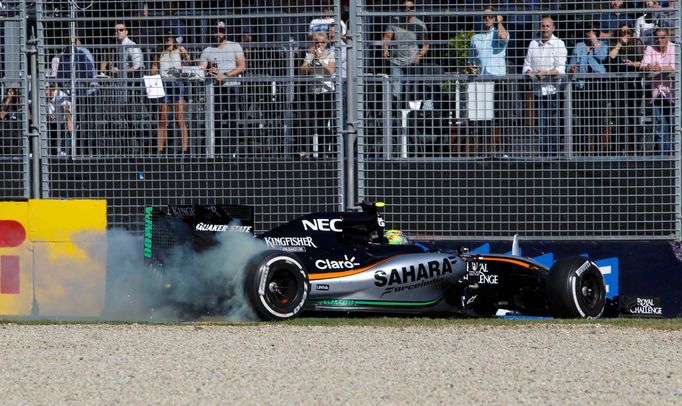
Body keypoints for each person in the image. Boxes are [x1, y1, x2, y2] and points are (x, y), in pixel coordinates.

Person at [199, 21, 247, 156]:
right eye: (215, 31)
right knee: (216, 119)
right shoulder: (207, 50)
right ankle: (217, 150)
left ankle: (232, 151)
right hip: (215, 89)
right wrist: (209, 72)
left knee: (232, 119)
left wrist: (225, 76)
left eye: (220, 31)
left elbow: (242, 65)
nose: (218, 34)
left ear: (225, 32)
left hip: (232, 87)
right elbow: (201, 69)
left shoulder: (235, 46)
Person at [467, 6, 509, 156]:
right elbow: (470, 61)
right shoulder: (475, 38)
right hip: (481, 81)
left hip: (497, 79)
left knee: (501, 116)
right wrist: (469, 68)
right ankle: (484, 152)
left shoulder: (499, 33)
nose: (487, 19)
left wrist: (499, 22)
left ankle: (503, 151)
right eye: (485, 17)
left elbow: (504, 37)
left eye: (490, 17)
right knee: (482, 118)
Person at [522, 16, 567, 156]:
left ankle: (552, 155)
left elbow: (561, 69)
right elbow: (526, 65)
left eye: (548, 26)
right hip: (538, 91)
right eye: (543, 26)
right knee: (541, 125)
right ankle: (543, 155)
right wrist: (530, 72)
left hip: (553, 90)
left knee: (553, 124)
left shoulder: (559, 43)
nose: (545, 29)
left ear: (553, 28)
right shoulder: (533, 44)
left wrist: (546, 73)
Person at [630, 27, 676, 154]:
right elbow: (644, 65)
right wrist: (650, 67)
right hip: (657, 93)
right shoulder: (650, 48)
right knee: (660, 128)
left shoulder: (674, 48)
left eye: (662, 37)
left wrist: (659, 68)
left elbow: (674, 67)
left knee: (674, 127)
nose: (659, 40)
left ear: (667, 37)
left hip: (673, 93)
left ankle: (674, 157)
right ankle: (663, 158)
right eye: (657, 38)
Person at [567, 23, 608, 154]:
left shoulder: (603, 45)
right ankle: (582, 152)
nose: (589, 34)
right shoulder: (579, 46)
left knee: (598, 121)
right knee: (584, 121)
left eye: (592, 32)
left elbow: (602, 57)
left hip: (598, 86)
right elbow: (571, 64)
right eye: (588, 32)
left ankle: (597, 152)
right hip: (583, 86)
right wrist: (572, 69)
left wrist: (595, 42)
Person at [150, 31, 191, 154]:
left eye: (170, 37)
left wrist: (186, 56)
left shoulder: (179, 50)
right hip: (163, 83)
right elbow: (153, 68)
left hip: (177, 82)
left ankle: (185, 150)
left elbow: (189, 64)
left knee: (180, 118)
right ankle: (160, 150)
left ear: (174, 39)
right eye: (166, 37)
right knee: (163, 119)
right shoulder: (159, 51)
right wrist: (154, 78)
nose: (168, 39)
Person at [382, 0, 429, 104]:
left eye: (411, 8)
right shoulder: (394, 22)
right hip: (396, 62)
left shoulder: (419, 24)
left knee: (412, 91)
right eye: (405, 7)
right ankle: (397, 116)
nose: (408, 10)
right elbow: (387, 37)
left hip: (412, 62)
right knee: (396, 90)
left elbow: (426, 44)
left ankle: (411, 116)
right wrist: (385, 49)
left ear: (414, 9)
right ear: (400, 9)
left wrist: (419, 55)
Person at [608, 22, 645, 154]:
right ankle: (619, 148)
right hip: (617, 86)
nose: (625, 34)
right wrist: (620, 43)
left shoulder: (637, 44)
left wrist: (632, 64)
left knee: (634, 117)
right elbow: (611, 56)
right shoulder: (615, 44)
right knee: (619, 117)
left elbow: (643, 62)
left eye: (627, 32)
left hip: (633, 85)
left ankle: (635, 148)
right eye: (622, 32)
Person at [299, 31, 336, 158]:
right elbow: (302, 71)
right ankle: (305, 151)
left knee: (323, 122)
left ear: (326, 43)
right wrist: (311, 59)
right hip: (312, 91)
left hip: (326, 91)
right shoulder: (310, 54)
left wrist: (320, 59)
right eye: (317, 42)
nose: (319, 44)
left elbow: (331, 71)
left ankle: (323, 151)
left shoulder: (331, 54)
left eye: (322, 42)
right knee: (306, 121)